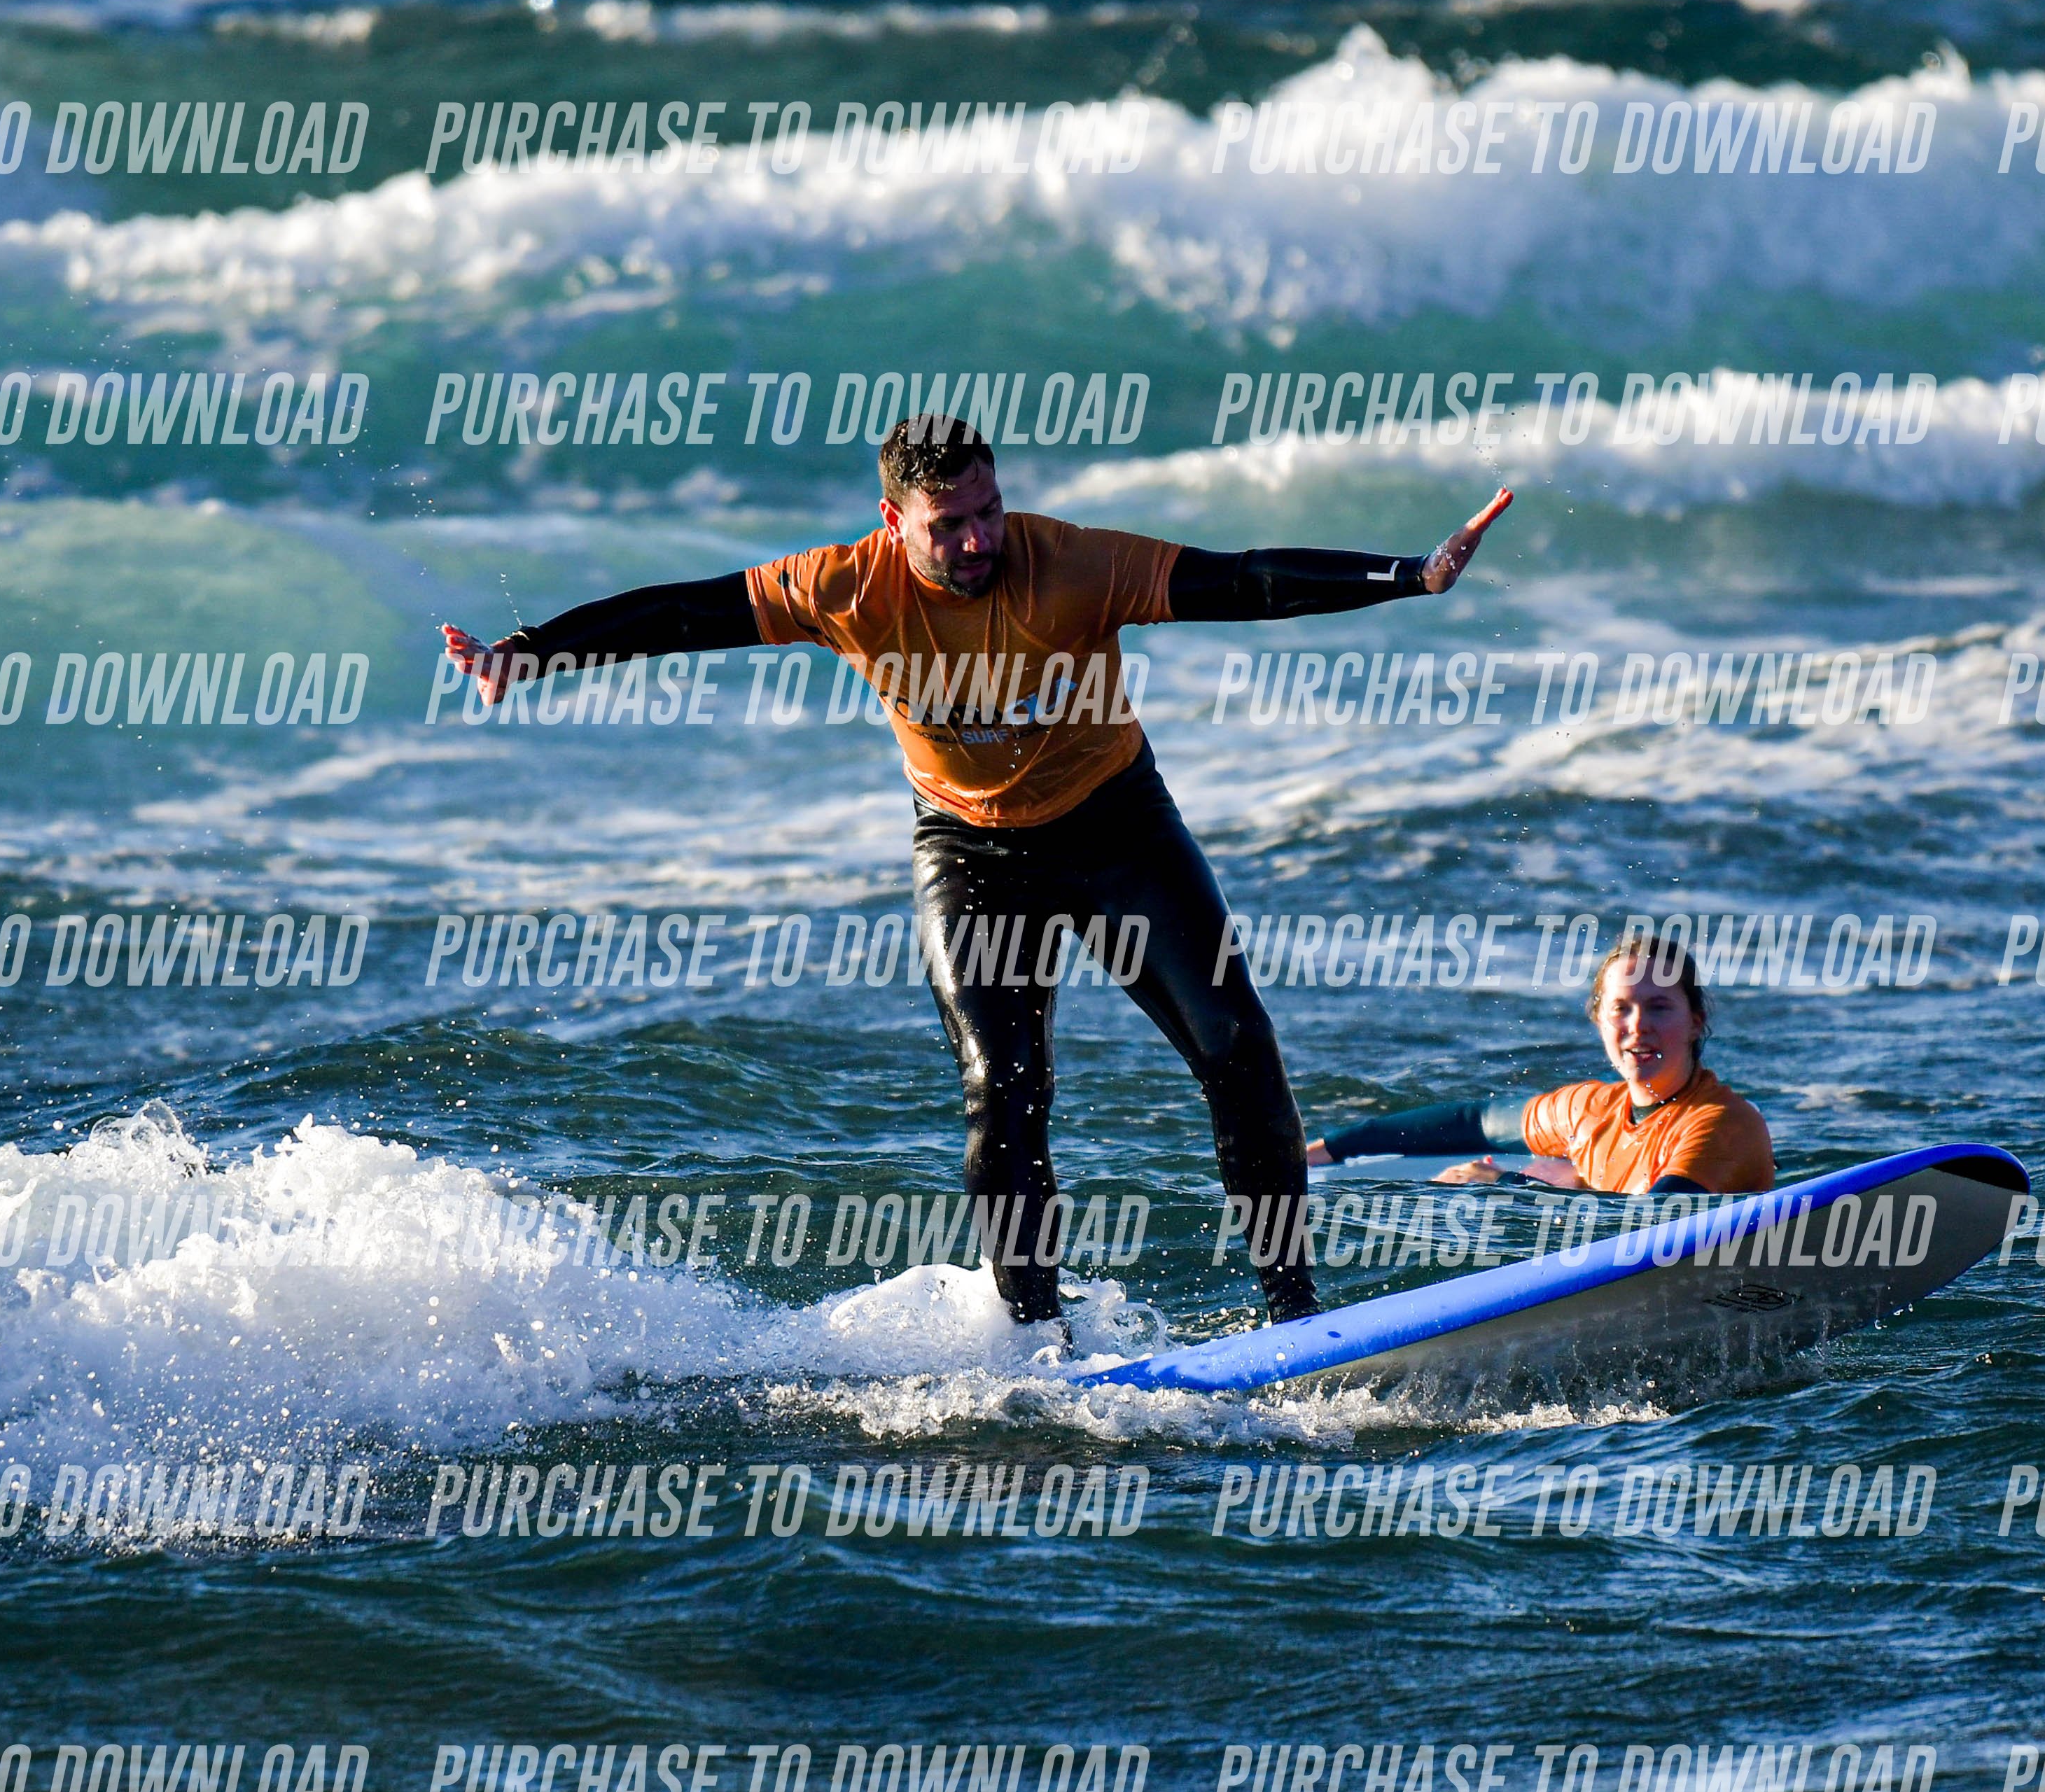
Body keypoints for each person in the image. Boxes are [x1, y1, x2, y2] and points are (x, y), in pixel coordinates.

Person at [442, 416, 1512, 1331]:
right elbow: (685, 614)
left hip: (1116, 828)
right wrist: (531, 651)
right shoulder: (843, 587)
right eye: (948, 523)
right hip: (968, 851)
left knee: (1236, 1045)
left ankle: (1294, 1311)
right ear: (892, 520)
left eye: (989, 512)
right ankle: (1036, 1339)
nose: (977, 539)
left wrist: (1407, 576)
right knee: (1003, 1089)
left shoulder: (1072, 565)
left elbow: (1240, 581)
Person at [1303, 933, 1773, 1197]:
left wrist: (1510, 1185)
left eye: (1659, 1008)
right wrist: (1325, 1151)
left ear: (1695, 1022)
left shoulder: (1720, 1124)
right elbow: (1472, 1122)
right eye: (1621, 1009)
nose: (1638, 1027)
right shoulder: (1590, 1111)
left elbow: (1651, 1228)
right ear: (1598, 1019)